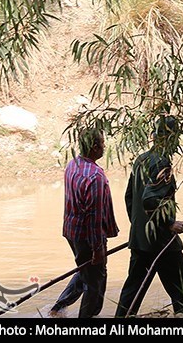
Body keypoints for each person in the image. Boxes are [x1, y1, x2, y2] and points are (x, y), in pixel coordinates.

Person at [115, 115, 183, 317]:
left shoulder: (141, 160)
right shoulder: (162, 163)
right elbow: (150, 200)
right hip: (161, 242)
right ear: (172, 138)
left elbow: (129, 198)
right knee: (182, 284)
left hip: (141, 240)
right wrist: (169, 224)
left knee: (133, 289)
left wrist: (139, 226)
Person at [49, 128, 119, 318]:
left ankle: (57, 309)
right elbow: (94, 219)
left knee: (85, 270)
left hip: (71, 232)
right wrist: (98, 249)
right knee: (95, 281)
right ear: (95, 148)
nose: (105, 147)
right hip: (88, 236)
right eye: (103, 144)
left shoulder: (73, 164)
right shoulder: (95, 177)